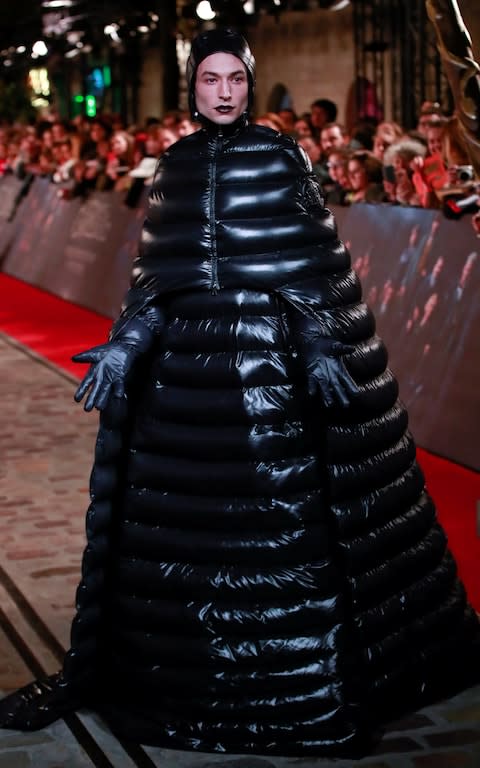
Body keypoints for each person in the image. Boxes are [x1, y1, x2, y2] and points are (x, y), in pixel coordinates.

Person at [0, 27, 479, 760]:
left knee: (292, 531)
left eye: (234, 79)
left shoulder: (282, 156)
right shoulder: (176, 168)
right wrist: (129, 343)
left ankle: (309, 688)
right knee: (186, 533)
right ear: (194, 86)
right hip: (189, 380)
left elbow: (314, 268)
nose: (222, 91)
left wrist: (320, 342)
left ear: (248, 85)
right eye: (209, 79)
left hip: (273, 380)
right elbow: (160, 276)